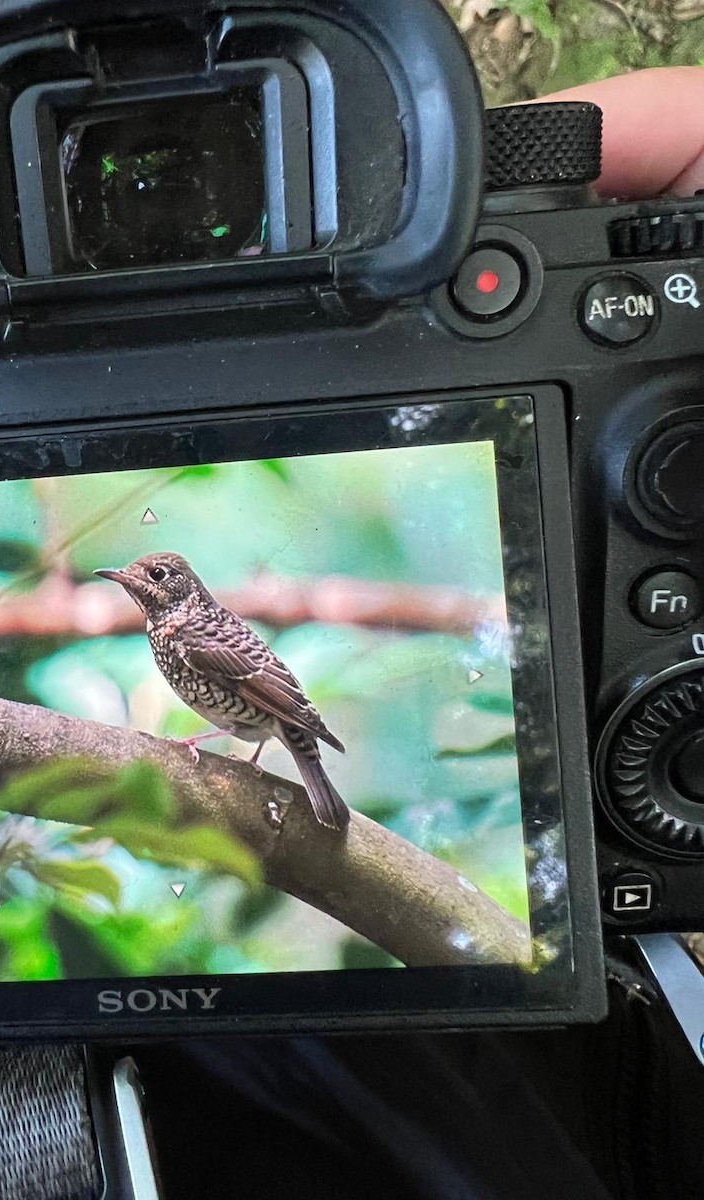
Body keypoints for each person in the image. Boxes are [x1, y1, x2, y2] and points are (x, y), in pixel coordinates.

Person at [130, 69, 704, 1200]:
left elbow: (262, 693)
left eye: (149, 569)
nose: (136, 580)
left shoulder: (195, 635)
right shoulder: (189, 633)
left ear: (176, 584)